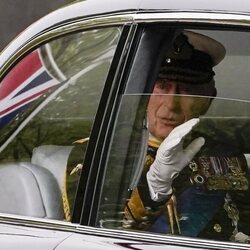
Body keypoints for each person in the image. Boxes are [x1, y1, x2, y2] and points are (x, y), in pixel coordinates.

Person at [123, 30, 250, 243]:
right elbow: (93, 236)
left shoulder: (224, 155)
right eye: (162, 87)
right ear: (143, 93)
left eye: (187, 90)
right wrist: (154, 190)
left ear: (208, 99)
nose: (171, 105)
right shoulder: (103, 153)